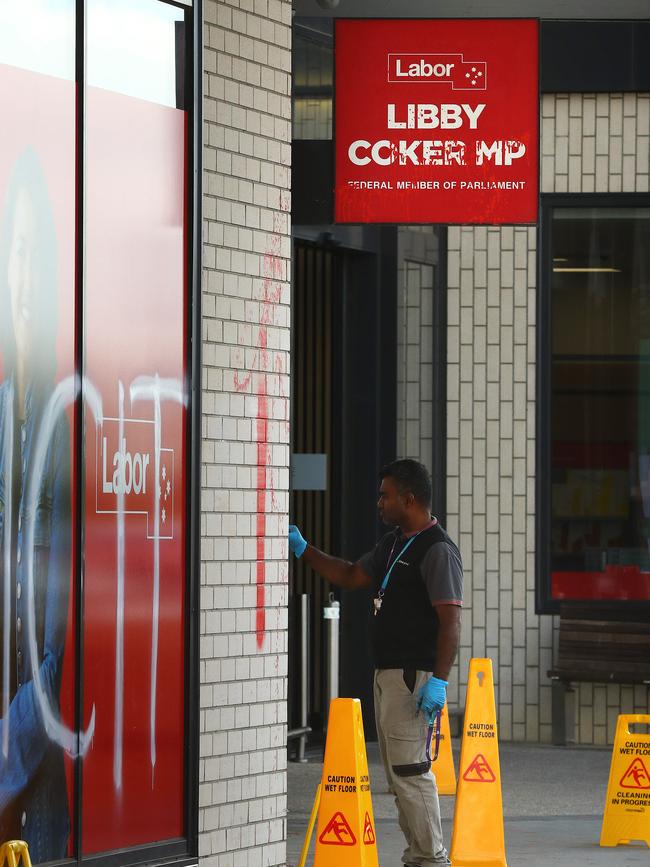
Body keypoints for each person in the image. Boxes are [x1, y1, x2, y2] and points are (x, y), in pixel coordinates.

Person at [289, 459, 462, 867]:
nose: (379, 503)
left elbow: (451, 621)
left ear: (409, 498)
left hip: (412, 678)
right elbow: (350, 575)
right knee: (399, 777)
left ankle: (432, 858)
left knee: (411, 772)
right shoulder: (393, 543)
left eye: (385, 495)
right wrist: (304, 550)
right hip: (387, 675)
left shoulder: (437, 550)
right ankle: (418, 855)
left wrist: (438, 682)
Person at [0, 147, 71, 861]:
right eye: (10, 253)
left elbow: (55, 653)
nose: (21, 278)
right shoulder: (4, 414)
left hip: (35, 780)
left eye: (33, 255)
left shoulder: (60, 424)